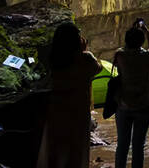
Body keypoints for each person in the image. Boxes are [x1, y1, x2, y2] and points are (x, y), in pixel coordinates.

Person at [36, 22, 102, 168]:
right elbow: (98, 68)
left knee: (55, 153)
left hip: (56, 112)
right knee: (76, 154)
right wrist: (84, 50)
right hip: (77, 114)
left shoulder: (52, 59)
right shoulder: (85, 59)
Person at [113, 19, 149, 168]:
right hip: (144, 104)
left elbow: (124, 48)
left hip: (123, 104)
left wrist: (132, 33)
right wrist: (145, 30)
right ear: (142, 41)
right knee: (139, 145)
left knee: (122, 144)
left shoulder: (120, 56)